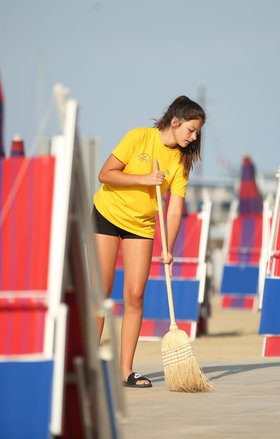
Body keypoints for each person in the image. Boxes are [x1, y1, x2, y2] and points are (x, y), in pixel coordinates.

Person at [93, 95, 205, 388]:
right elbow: (105, 175)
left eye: (197, 132)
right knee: (101, 293)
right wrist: (144, 179)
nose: (194, 137)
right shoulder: (138, 137)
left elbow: (175, 207)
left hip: (141, 226)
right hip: (107, 215)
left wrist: (169, 247)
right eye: (191, 130)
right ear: (175, 121)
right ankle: (90, 364)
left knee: (135, 296)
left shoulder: (181, 161)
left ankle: (125, 370)